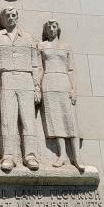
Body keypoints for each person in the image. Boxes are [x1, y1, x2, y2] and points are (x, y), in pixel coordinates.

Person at [0, 7, 40, 171]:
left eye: (14, 15)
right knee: (8, 120)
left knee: (28, 120)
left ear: (17, 18)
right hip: (7, 78)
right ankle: (8, 156)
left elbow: (35, 65)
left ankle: (31, 157)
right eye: (7, 15)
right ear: (2, 19)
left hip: (26, 79)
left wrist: (37, 86)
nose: (11, 18)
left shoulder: (28, 38)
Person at [38, 20, 84, 172]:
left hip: (64, 82)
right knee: (56, 119)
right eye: (49, 27)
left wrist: (74, 89)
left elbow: (71, 70)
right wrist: (37, 87)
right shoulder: (41, 46)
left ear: (58, 29)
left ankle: (77, 157)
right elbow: (38, 68)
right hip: (49, 82)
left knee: (71, 120)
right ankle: (62, 155)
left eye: (54, 26)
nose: (51, 29)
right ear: (46, 30)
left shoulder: (66, 47)